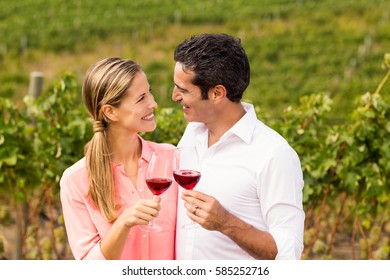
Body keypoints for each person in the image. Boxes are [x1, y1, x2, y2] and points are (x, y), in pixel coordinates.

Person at [172, 33, 305, 260]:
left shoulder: (274, 154)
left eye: (183, 90)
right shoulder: (192, 134)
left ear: (217, 93)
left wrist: (226, 222)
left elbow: (286, 252)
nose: (174, 96)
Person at [60, 57, 177, 260]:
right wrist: (123, 223)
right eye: (141, 98)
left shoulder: (172, 158)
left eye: (150, 92)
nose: (154, 103)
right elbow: (89, 265)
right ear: (110, 112)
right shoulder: (75, 180)